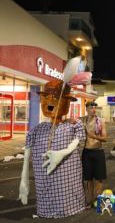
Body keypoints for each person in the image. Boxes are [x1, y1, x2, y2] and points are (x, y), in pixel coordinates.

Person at [19, 80, 86, 218]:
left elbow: (77, 141)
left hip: (66, 178)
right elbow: (27, 153)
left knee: (66, 191)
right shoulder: (37, 129)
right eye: (46, 97)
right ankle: (47, 210)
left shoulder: (73, 125)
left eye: (56, 97)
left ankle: (68, 208)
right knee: (45, 191)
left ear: (66, 102)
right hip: (43, 176)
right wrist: (23, 180)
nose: (49, 101)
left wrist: (63, 153)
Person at [81, 101, 108, 208]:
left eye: (94, 108)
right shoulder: (82, 120)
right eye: (91, 108)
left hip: (98, 151)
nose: (93, 110)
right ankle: (90, 200)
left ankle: (98, 199)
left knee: (99, 178)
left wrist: (94, 136)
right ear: (87, 109)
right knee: (88, 179)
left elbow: (105, 138)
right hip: (86, 152)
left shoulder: (100, 121)